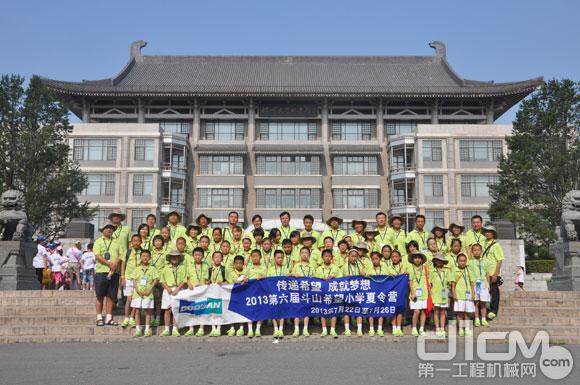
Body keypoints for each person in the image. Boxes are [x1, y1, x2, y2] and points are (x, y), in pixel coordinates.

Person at [93, 220, 122, 327]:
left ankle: (109, 317)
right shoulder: (98, 241)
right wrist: (109, 263)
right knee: (100, 296)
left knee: (111, 296)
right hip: (101, 272)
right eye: (107, 227)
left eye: (111, 228)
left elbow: (120, 255)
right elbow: (97, 255)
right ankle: (99, 317)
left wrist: (115, 263)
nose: (109, 229)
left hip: (114, 272)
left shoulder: (116, 242)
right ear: (103, 230)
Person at [129, 249, 159, 337]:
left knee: (148, 311)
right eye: (143, 256)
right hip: (137, 293)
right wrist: (137, 290)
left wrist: (150, 289)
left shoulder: (152, 268)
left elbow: (155, 280)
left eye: (147, 256)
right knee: (137, 311)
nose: (145, 258)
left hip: (148, 293)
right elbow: (134, 280)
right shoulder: (137, 269)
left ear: (149, 258)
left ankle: (147, 329)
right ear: (140, 257)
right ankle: (138, 329)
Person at [159, 249, 187, 337]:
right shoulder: (166, 268)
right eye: (172, 257)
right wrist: (167, 288)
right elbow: (162, 280)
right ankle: (166, 329)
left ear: (179, 258)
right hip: (168, 290)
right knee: (167, 310)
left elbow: (184, 280)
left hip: (179, 290)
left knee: (176, 310)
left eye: (176, 257)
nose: (174, 258)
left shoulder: (183, 268)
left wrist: (178, 289)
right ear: (170, 258)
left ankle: (175, 329)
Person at [315, 249, 340, 338]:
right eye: (325, 256)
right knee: (323, 310)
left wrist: (333, 277)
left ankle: (333, 329)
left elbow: (341, 280)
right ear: (322, 258)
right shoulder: (318, 269)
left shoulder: (336, 268)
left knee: (334, 310)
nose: (327, 258)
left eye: (329, 256)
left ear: (332, 258)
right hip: (323, 293)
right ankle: (324, 329)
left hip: (334, 293)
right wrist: (323, 278)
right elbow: (315, 280)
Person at [482, 225, 505, 320]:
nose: (487, 233)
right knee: (486, 292)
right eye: (486, 231)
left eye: (490, 231)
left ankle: (493, 310)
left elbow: (500, 260)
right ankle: (486, 311)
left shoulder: (496, 245)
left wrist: (496, 273)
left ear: (493, 234)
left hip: (492, 273)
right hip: (484, 273)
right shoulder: (483, 244)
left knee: (494, 292)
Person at [290, 247, 314, 337]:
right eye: (302, 252)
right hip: (298, 291)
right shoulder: (296, 266)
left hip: (308, 291)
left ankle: (305, 329)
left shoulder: (312, 266)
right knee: (297, 309)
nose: (304, 254)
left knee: (306, 309)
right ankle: (296, 329)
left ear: (309, 255)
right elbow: (290, 275)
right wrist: (294, 275)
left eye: (306, 253)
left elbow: (315, 278)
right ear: (300, 254)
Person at [243, 250, 267, 337]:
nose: (255, 258)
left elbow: (267, 279)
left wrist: (263, 277)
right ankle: (250, 330)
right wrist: (245, 279)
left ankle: (257, 329)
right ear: (251, 258)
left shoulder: (264, 268)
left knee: (260, 309)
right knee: (249, 309)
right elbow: (244, 278)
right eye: (253, 256)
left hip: (260, 291)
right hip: (250, 291)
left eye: (257, 256)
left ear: (260, 257)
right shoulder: (248, 268)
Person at [186, 247, 210, 337]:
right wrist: (189, 284)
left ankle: (201, 328)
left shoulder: (206, 266)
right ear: (193, 256)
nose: (198, 257)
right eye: (196, 255)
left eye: (200, 255)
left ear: (203, 256)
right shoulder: (189, 266)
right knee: (191, 309)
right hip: (192, 290)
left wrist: (207, 283)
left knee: (202, 309)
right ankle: (191, 328)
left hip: (202, 290)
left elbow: (208, 279)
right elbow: (187, 278)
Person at [341, 248, 365, 336]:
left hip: (358, 291)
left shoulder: (359, 265)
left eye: (355, 256)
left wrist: (362, 273)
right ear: (348, 256)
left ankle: (359, 329)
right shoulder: (344, 266)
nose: (353, 258)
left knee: (358, 309)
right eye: (352, 256)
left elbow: (364, 274)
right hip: (347, 292)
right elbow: (341, 278)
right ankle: (347, 329)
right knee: (347, 310)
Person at [120, 234, 142, 329]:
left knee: (136, 299)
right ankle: (126, 317)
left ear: (141, 242)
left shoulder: (143, 252)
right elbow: (123, 265)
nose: (136, 242)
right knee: (129, 299)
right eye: (134, 241)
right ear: (131, 242)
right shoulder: (127, 252)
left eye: (138, 241)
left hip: (139, 280)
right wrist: (122, 277)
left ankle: (132, 317)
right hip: (129, 279)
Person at [451, 253, 475, 336]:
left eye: (464, 261)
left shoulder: (469, 270)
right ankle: (461, 328)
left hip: (468, 295)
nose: (462, 262)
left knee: (468, 313)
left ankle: (467, 328)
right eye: (460, 261)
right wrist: (454, 294)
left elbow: (472, 283)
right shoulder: (454, 270)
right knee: (459, 313)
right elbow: (453, 284)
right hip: (459, 295)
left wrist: (473, 293)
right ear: (457, 261)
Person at [268, 250, 291, 339]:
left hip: (282, 293)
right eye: (278, 258)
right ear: (274, 259)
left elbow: (288, 278)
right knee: (274, 311)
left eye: (281, 258)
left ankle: (281, 329)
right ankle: (275, 328)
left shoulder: (285, 268)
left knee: (282, 311)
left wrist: (292, 275)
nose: (280, 259)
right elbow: (268, 280)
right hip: (273, 292)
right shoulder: (270, 269)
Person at [430, 253, 452, 338]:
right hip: (435, 294)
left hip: (444, 295)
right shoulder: (432, 271)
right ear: (435, 261)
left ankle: (442, 328)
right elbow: (430, 284)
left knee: (443, 312)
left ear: (443, 262)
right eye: (438, 260)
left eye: (441, 260)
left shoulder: (447, 271)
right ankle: (437, 328)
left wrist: (449, 296)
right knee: (436, 312)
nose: (439, 262)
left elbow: (449, 284)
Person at [367, 251, 388, 337]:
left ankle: (379, 328)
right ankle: (371, 328)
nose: (375, 261)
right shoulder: (369, 268)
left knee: (381, 309)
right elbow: (365, 275)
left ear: (380, 259)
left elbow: (389, 275)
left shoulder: (385, 267)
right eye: (373, 259)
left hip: (381, 292)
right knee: (371, 310)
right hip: (372, 292)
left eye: (376, 259)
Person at [386, 250, 406, 336]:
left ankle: (399, 328)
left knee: (400, 310)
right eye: (392, 257)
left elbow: (407, 277)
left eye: (396, 256)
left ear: (400, 257)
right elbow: (386, 279)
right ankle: (394, 328)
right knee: (393, 310)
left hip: (401, 291)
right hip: (392, 292)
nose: (394, 258)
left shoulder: (403, 267)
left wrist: (405, 274)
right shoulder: (388, 267)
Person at [408, 252, 429, 337]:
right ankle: (414, 328)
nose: (417, 259)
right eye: (415, 258)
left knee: (423, 311)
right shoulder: (411, 268)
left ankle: (421, 328)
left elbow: (428, 279)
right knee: (416, 311)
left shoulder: (425, 268)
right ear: (412, 259)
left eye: (419, 258)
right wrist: (412, 293)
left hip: (424, 292)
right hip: (415, 293)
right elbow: (410, 282)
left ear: (422, 259)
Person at [470, 244, 490, 327]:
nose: (476, 251)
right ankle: (477, 319)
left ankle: (484, 319)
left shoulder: (485, 261)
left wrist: (488, 285)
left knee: (483, 302)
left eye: (478, 250)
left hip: (483, 284)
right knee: (476, 302)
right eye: (474, 250)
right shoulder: (470, 262)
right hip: (475, 283)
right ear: (472, 252)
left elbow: (487, 274)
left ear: (481, 251)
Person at [227, 255, 247, 337]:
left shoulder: (246, 272)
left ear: (243, 264)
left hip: (242, 295)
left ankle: (241, 328)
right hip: (233, 295)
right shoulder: (231, 273)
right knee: (231, 311)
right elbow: (228, 283)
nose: (238, 265)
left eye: (240, 263)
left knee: (241, 311)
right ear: (234, 264)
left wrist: (246, 280)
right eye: (237, 263)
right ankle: (232, 328)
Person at [208, 251, 226, 337]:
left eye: (219, 257)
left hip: (220, 293)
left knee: (219, 311)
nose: (218, 259)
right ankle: (213, 328)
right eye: (216, 257)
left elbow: (228, 281)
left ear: (222, 259)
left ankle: (218, 328)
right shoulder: (209, 269)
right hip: (211, 292)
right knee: (211, 310)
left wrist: (223, 282)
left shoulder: (224, 269)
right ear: (212, 259)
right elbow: (205, 280)